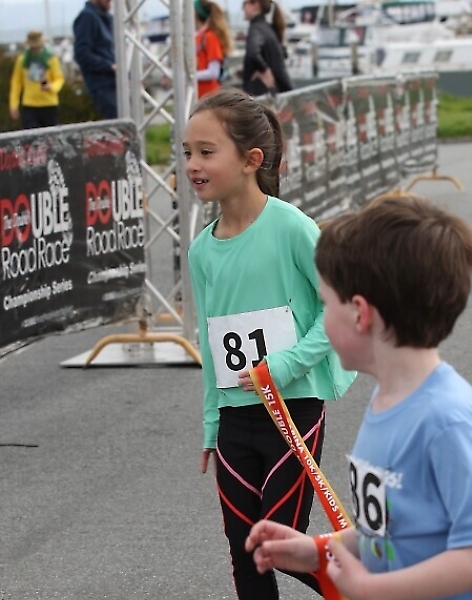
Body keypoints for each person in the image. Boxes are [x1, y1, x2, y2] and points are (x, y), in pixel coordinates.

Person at [246, 194, 472, 600]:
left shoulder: (447, 420)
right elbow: (389, 532)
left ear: (360, 313)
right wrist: (318, 551)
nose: (322, 317)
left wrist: (372, 588)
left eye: (325, 303)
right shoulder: (388, 399)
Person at [183, 87, 355, 600]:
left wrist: (287, 364)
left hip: (292, 410)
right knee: (245, 551)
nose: (192, 165)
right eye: (187, 152)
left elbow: (339, 307)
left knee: (278, 541)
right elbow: (211, 341)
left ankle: (375, 588)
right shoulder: (201, 250)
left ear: (251, 160)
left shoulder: (292, 227)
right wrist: (211, 422)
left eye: (206, 152)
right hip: (235, 419)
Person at [9, 30, 65, 129]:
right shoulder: (22, 60)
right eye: (33, 47)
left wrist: (51, 87)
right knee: (32, 135)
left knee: (50, 135)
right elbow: (16, 83)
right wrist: (14, 104)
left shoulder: (51, 59)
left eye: (37, 46)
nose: (35, 49)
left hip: (49, 104)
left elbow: (59, 78)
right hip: (29, 105)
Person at [73, 0, 117, 119]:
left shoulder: (106, 18)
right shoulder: (87, 17)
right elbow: (81, 54)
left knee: (127, 122)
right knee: (120, 123)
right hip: (103, 84)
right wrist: (109, 66)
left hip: (113, 82)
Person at [242, 0, 293, 96]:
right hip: (277, 90)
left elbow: (253, 53)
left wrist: (264, 70)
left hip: (261, 93)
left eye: (245, 3)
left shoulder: (256, 28)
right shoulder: (267, 28)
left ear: (256, 4)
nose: (242, 8)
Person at [193, 0, 233, 98]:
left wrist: (190, 76)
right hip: (199, 95)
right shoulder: (198, 36)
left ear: (196, 14)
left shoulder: (210, 36)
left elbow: (214, 72)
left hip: (209, 95)